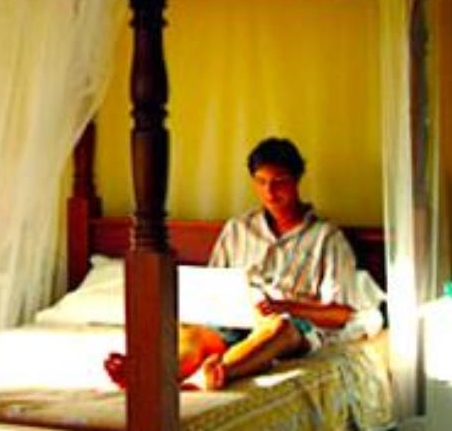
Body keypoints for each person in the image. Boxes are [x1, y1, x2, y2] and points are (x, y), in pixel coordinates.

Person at [104, 137, 368, 390]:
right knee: (192, 333)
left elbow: (342, 314)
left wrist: (283, 306)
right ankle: (149, 373)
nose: (270, 192)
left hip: (289, 323)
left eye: (279, 182)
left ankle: (220, 371)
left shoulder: (326, 238)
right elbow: (214, 286)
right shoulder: (238, 229)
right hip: (235, 319)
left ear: (296, 180)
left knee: (279, 328)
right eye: (261, 182)